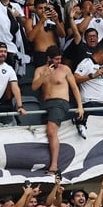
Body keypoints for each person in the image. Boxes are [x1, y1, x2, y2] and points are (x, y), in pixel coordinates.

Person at [31, 45, 84, 174]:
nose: (58, 62)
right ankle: (46, 161)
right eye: (56, 59)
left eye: (60, 59)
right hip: (46, 103)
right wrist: (44, 76)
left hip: (60, 102)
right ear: (48, 58)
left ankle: (54, 165)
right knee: (46, 133)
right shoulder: (40, 70)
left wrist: (80, 105)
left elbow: (74, 88)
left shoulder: (65, 69)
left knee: (51, 130)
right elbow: (34, 87)